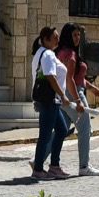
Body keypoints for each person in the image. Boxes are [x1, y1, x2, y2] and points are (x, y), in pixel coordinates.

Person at [56, 23, 99, 177]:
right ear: (68, 36)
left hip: (65, 94)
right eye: (75, 35)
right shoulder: (70, 54)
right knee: (85, 129)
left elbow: (77, 78)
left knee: (61, 130)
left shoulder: (61, 52)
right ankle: (84, 166)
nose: (78, 38)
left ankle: (37, 160)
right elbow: (71, 79)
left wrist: (91, 87)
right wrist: (78, 101)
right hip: (74, 94)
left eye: (79, 35)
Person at [28, 27, 72, 182]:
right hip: (50, 100)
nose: (57, 40)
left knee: (62, 129)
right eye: (54, 37)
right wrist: (62, 95)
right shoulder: (47, 55)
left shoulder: (41, 53)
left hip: (50, 101)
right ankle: (38, 169)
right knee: (45, 135)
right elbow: (50, 77)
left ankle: (54, 166)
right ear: (46, 39)